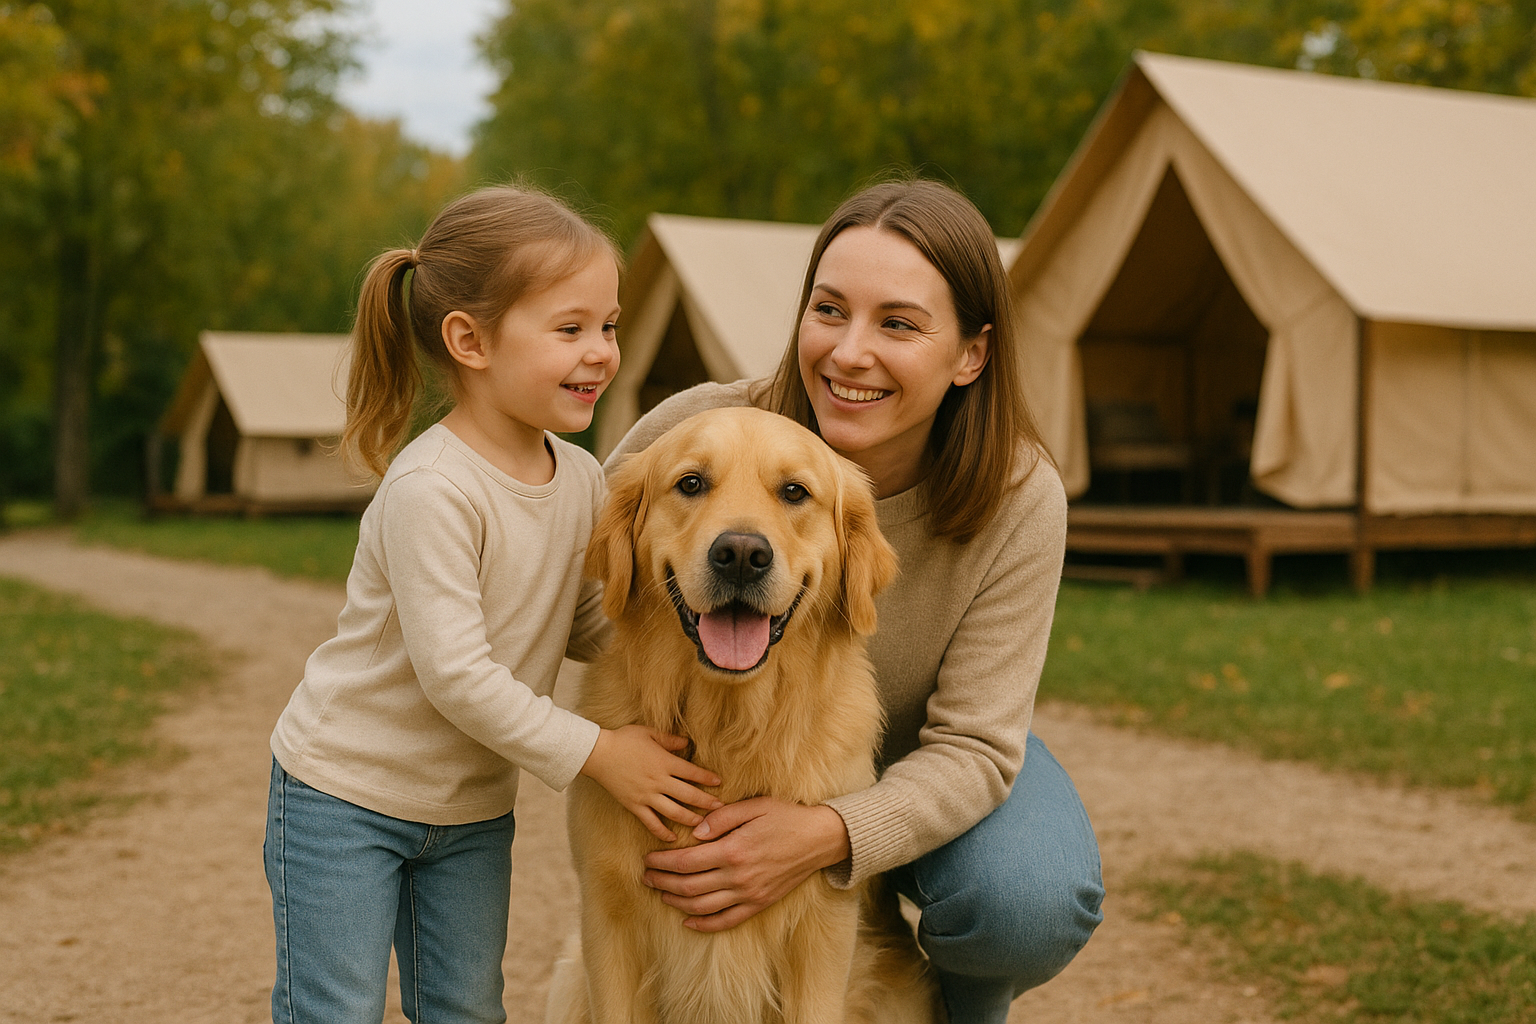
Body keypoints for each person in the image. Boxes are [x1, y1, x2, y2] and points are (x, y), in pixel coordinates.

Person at [607, 179, 1105, 1023]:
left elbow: (979, 746)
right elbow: (587, 600)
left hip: (924, 753)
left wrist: (828, 834)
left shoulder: (1019, 495)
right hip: (728, 748)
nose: (848, 352)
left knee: (1025, 899)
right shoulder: (694, 430)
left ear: (971, 354)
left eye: (899, 324)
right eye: (829, 310)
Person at [263, 185, 723, 1024]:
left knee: (468, 1008)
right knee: (338, 1008)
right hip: (344, 795)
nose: (602, 353)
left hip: (469, 811)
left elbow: (579, 619)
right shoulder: (433, 489)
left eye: (610, 326)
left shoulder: (581, 477)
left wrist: (692, 637)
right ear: (470, 341)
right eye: (570, 329)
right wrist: (601, 752)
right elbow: (458, 676)